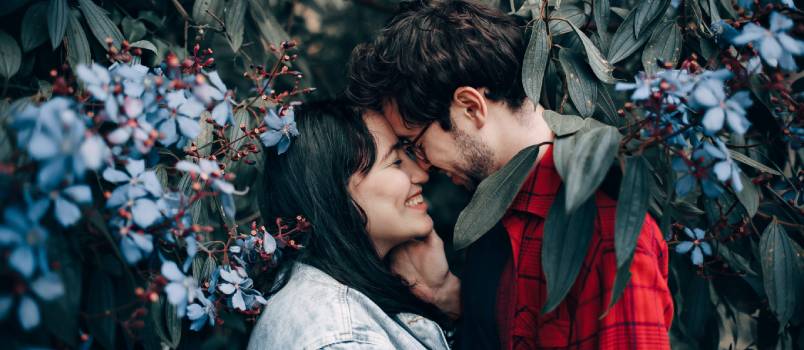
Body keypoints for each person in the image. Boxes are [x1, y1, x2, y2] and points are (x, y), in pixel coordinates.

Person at [346, 1, 674, 349]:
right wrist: (451, 300)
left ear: (471, 107)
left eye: (417, 146)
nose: (422, 168)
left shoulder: (606, 233)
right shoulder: (491, 217)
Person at [247, 100, 459, 349]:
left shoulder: (330, 297)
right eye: (396, 162)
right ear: (336, 193)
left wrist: (444, 296)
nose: (422, 174)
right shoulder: (343, 339)